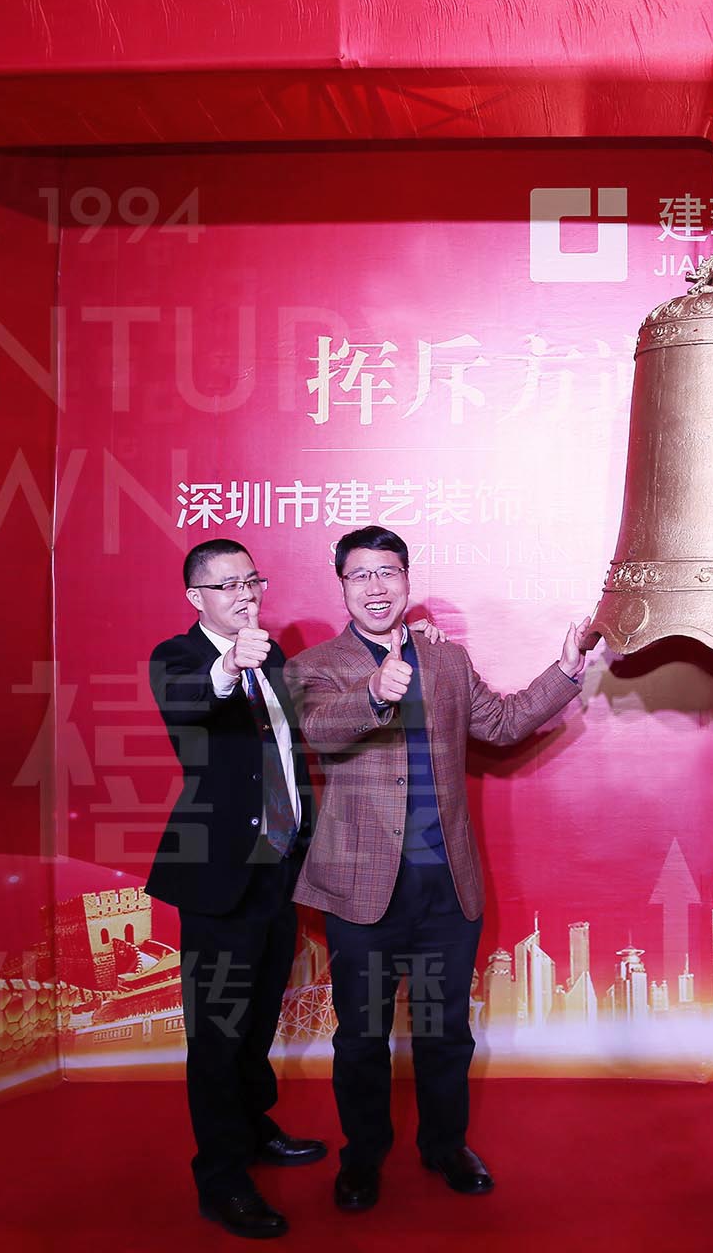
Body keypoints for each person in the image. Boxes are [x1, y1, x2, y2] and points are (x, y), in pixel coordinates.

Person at [286, 526, 594, 1213]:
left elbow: (504, 724)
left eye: (387, 572)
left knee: (445, 1032)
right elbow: (318, 729)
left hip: (446, 890)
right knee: (361, 1039)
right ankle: (363, 1157)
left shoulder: (446, 659)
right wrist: (375, 691)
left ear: (406, 579)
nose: (375, 587)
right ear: (341, 585)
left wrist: (567, 669)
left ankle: (445, 1146)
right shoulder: (315, 665)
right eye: (360, 575)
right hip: (362, 890)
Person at [146, 539, 327, 1240]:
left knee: (256, 1023)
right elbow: (192, 704)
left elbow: (289, 752)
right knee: (218, 1034)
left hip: (278, 868)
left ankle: (255, 1131)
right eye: (227, 585)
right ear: (196, 598)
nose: (245, 593)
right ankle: (221, 1181)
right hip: (219, 878)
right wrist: (228, 666)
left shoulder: (274, 657)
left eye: (252, 580)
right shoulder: (178, 658)